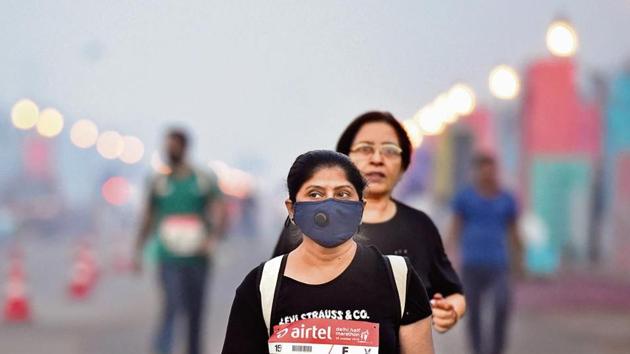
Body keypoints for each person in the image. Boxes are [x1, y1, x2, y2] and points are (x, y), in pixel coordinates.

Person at [222, 150, 434, 354]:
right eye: (315, 194)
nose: (330, 204)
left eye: (343, 194)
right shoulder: (261, 288)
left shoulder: (398, 280)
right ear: (292, 209)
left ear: (361, 209)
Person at [273, 111, 466, 332]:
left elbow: (452, 291)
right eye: (365, 149)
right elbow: (274, 293)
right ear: (343, 157)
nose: (377, 159)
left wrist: (450, 310)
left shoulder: (419, 226)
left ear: (404, 163)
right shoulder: (305, 226)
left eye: (390, 151)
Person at [134, 128, 227, 354]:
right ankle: (162, 349)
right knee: (172, 304)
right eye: (167, 146)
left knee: (195, 310)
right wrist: (138, 247)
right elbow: (148, 215)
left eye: (173, 146)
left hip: (198, 257)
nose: (169, 150)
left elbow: (220, 210)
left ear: (184, 147)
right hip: (168, 255)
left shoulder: (202, 179)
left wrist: (213, 238)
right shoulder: (158, 181)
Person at [449, 153, 523, 354]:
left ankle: (496, 349)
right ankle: (478, 350)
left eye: (491, 171)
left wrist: (520, 260)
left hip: (498, 264)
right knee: (473, 312)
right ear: (476, 173)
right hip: (471, 264)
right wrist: (446, 259)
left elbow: (514, 232)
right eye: (483, 171)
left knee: (501, 305)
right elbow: (455, 228)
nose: (487, 175)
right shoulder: (464, 198)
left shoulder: (507, 199)